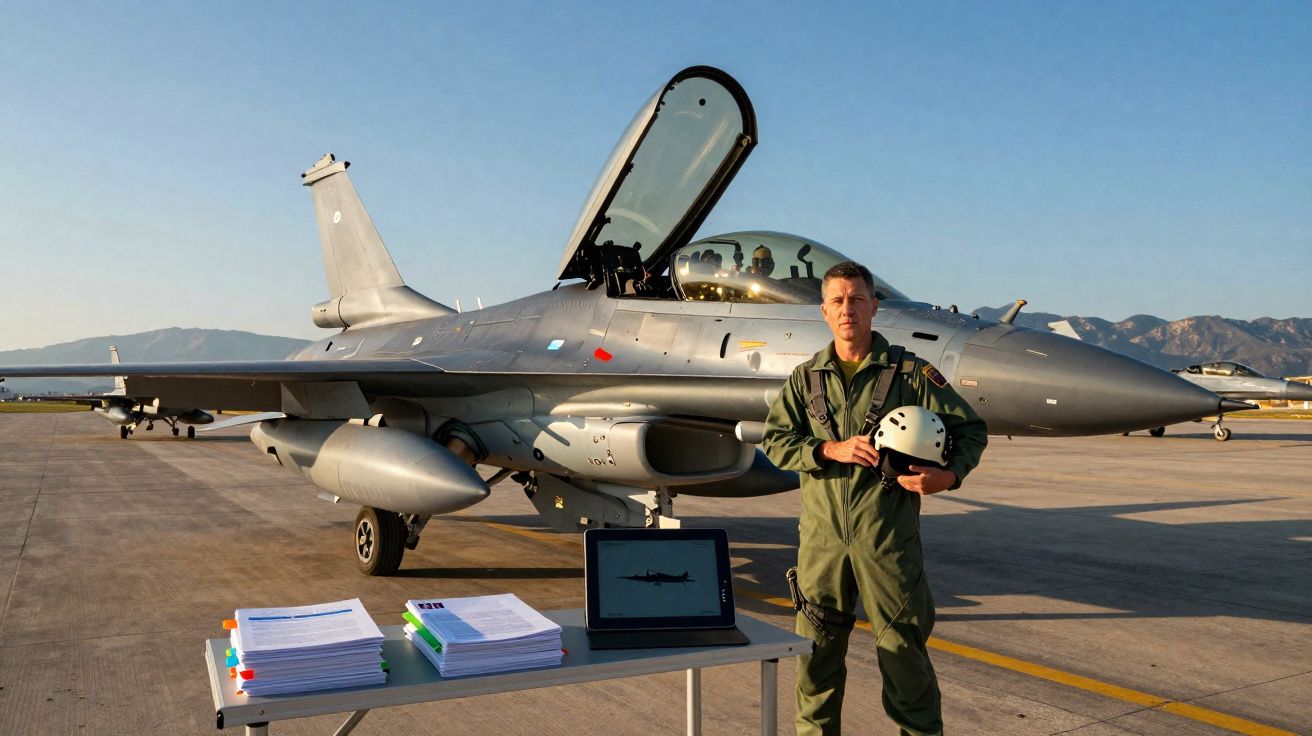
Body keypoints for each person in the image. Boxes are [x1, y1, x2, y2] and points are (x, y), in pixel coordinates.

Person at [762, 261, 988, 736]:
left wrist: (949, 476)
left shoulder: (912, 373)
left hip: (887, 541)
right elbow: (776, 442)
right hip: (822, 544)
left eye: (857, 299)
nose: (848, 309)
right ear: (825, 311)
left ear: (874, 307)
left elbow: (969, 429)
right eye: (838, 301)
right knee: (815, 664)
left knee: (904, 659)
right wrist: (827, 449)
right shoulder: (805, 379)